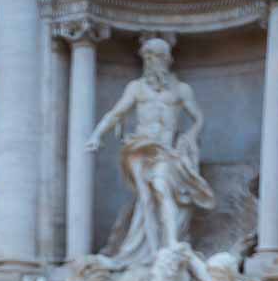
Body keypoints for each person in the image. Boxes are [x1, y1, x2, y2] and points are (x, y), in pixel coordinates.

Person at [86, 37, 215, 265]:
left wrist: (191, 135)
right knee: (145, 198)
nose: (151, 61)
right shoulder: (136, 88)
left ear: (167, 59)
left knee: (161, 187)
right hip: (139, 147)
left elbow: (199, 117)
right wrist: (97, 135)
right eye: (147, 57)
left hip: (164, 149)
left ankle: (172, 242)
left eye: (156, 56)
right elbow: (116, 113)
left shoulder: (180, 90)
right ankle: (154, 252)